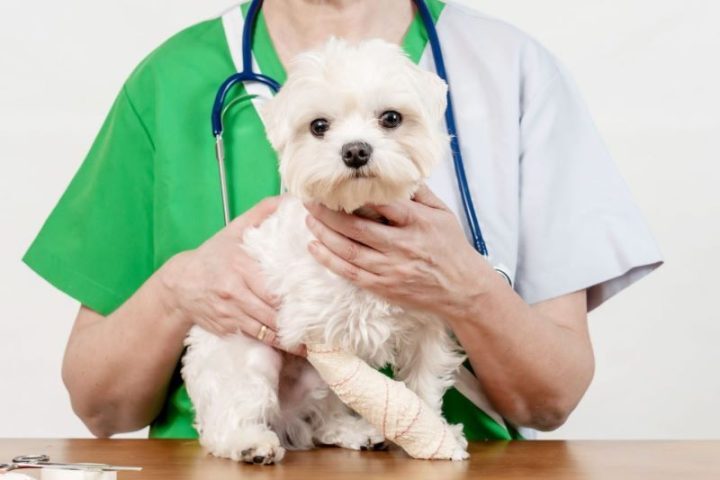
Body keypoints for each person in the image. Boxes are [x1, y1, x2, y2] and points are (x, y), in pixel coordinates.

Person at [23, 0, 662, 441]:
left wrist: (466, 288)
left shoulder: (513, 71)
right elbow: (100, 405)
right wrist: (176, 292)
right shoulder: (170, 80)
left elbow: (549, 399)